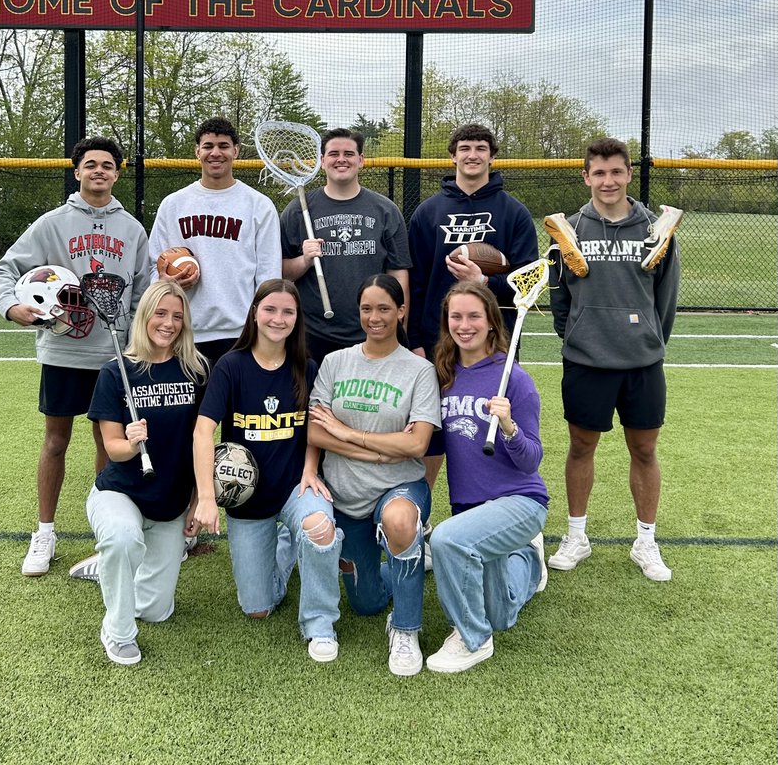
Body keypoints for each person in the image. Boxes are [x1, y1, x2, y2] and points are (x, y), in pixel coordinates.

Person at [0, 136, 149, 576]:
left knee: (108, 444)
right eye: (90, 165)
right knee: (56, 441)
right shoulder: (52, 223)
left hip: (112, 355)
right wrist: (10, 306)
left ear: (117, 173)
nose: (99, 171)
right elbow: (5, 269)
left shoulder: (133, 229)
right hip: (62, 350)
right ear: (77, 171)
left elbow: (142, 288)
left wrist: (135, 336)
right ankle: (45, 531)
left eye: (108, 165)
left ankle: (106, 538)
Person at [545, 137, 681, 582]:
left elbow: (666, 297)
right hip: (586, 360)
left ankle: (645, 540)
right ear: (586, 177)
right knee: (582, 446)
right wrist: (576, 334)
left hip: (642, 361)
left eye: (616, 172)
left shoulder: (654, 227)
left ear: (627, 174)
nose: (608, 180)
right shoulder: (569, 228)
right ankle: (576, 536)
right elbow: (559, 291)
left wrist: (648, 337)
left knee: (644, 449)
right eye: (599, 173)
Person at [192, 280, 342, 663]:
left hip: (295, 487)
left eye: (287, 311)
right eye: (270, 309)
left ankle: (320, 622)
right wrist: (207, 497)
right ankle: (287, 547)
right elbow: (203, 430)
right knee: (257, 608)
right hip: (247, 497)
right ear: (255, 313)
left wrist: (311, 468)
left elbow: (314, 426)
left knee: (321, 530)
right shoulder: (231, 365)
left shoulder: (306, 366)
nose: (278, 318)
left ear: (296, 318)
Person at [308, 274, 441, 676]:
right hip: (346, 493)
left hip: (397, 485)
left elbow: (416, 445)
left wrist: (346, 433)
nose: (374, 317)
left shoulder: (419, 370)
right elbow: (315, 430)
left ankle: (405, 630)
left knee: (399, 520)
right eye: (367, 308)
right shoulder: (335, 362)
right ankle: (405, 566)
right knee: (365, 604)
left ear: (401, 312)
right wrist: (378, 448)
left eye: (384, 308)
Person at [78, 279, 208, 665]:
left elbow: (203, 438)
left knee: (154, 609)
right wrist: (133, 442)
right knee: (122, 538)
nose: (168, 323)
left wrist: (199, 498)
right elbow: (114, 450)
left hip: (169, 501)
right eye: (161, 313)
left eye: (177, 317)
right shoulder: (115, 373)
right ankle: (117, 632)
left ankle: (109, 569)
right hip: (121, 493)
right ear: (145, 316)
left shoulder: (196, 370)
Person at [424, 281, 548, 673]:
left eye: (474, 316)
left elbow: (531, 462)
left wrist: (509, 426)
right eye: (456, 316)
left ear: (492, 323)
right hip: (472, 507)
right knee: (502, 612)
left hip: (518, 500)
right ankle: (528, 561)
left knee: (446, 540)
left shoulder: (514, 379)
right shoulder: (442, 375)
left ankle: (473, 639)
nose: (464, 325)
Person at [148, 118, 281, 365]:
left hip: (240, 332)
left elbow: (268, 275)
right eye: (208, 146)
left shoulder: (258, 205)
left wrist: (262, 327)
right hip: (184, 329)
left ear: (236, 151)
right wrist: (164, 281)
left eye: (223, 146)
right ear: (197, 151)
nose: (216, 153)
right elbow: (152, 265)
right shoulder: (173, 204)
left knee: (236, 405)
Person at [280, 127, 411, 364]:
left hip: (372, 330)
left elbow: (398, 273)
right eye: (334, 154)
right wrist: (304, 260)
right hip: (313, 333)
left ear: (361, 160)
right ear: (322, 161)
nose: (341, 159)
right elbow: (280, 271)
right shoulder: (299, 209)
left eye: (349, 154)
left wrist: (398, 325)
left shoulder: (385, 210)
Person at [407, 123, 538, 357]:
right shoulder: (427, 212)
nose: (473, 155)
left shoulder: (515, 212)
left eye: (481, 148)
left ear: (492, 157)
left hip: (496, 335)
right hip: (437, 336)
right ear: (453, 156)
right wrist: (414, 339)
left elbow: (529, 281)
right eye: (465, 148)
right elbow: (416, 281)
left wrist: (484, 281)